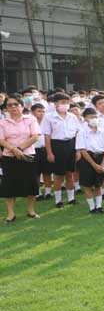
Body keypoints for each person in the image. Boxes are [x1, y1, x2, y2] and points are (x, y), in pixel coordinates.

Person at [0, 94, 41, 222]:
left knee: (31, 182)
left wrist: (21, 148)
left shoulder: (31, 120)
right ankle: (11, 213)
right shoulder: (2, 122)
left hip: (27, 155)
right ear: (6, 108)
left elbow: (35, 136)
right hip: (9, 157)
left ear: (22, 106)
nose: (13, 107)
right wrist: (13, 149)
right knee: (9, 184)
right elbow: (1, 139)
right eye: (9, 105)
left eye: (16, 104)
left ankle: (31, 210)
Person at [41, 92, 81, 208]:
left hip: (71, 145)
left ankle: (71, 198)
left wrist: (78, 150)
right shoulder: (49, 117)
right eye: (62, 102)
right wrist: (49, 152)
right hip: (57, 145)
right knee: (58, 175)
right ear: (55, 103)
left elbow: (78, 133)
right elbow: (47, 136)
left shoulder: (72, 117)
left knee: (70, 173)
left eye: (67, 102)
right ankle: (58, 200)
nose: (65, 105)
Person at [75, 107, 104, 214]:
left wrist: (102, 163)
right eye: (91, 117)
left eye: (95, 117)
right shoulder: (82, 132)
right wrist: (94, 165)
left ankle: (99, 206)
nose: (94, 119)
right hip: (87, 159)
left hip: (101, 157)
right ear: (85, 118)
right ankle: (92, 207)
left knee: (98, 184)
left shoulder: (103, 132)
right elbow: (83, 150)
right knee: (88, 185)